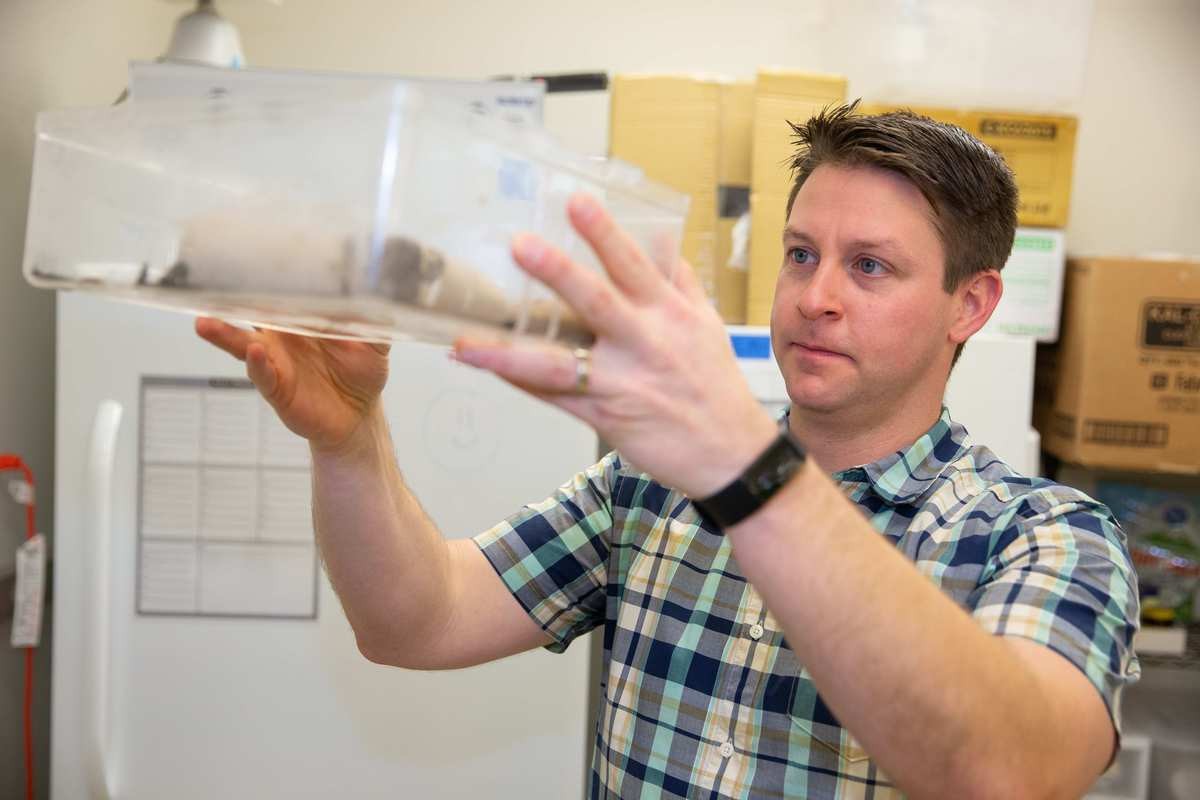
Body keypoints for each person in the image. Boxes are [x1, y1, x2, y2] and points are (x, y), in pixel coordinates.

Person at [196, 102, 1139, 799]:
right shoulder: (650, 486)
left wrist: (743, 464)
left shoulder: (1048, 534)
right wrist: (351, 443)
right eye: (801, 254)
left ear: (970, 305)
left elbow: (1010, 770)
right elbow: (413, 620)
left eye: (870, 267)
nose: (816, 297)